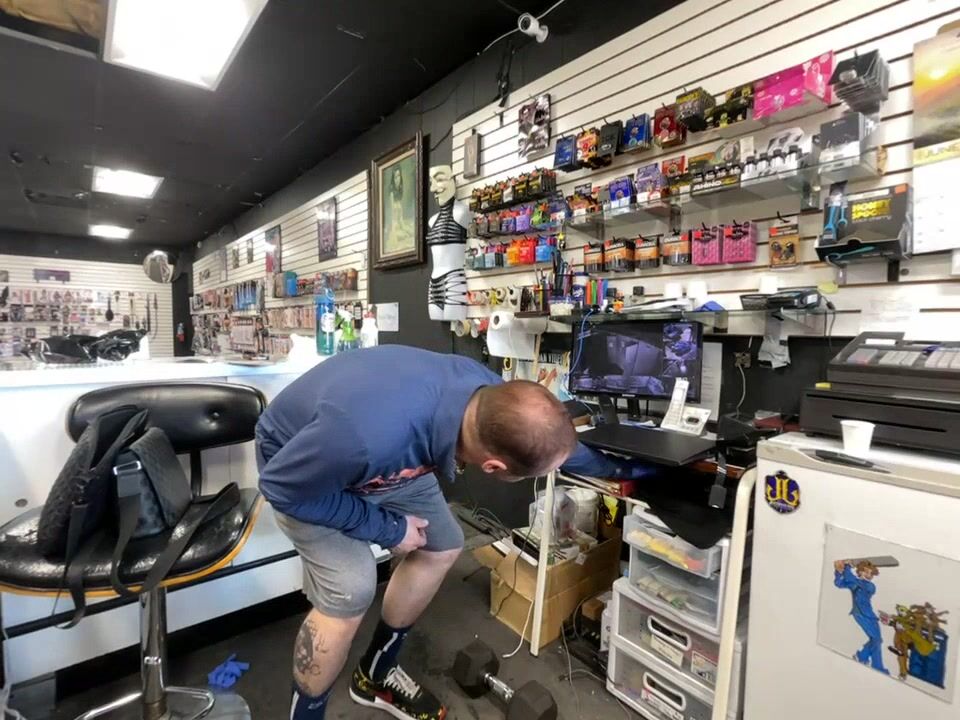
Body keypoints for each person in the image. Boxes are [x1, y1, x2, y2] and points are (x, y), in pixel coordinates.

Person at [256, 345, 653, 720]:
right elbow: (281, 489)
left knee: (443, 544)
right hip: (304, 475)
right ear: (494, 468)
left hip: (385, 459)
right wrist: (391, 529)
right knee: (352, 590)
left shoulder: (492, 399)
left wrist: (633, 472)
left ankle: (374, 675)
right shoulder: (362, 438)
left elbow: (552, 443)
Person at [834, 559, 889, 674]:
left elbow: (851, 579)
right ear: (859, 572)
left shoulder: (870, 586)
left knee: (877, 640)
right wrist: (838, 571)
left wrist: (847, 567)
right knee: (876, 640)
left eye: (871, 573)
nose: (869, 575)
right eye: (866, 572)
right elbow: (839, 583)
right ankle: (874, 664)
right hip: (860, 614)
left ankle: (863, 657)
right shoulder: (854, 582)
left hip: (870, 615)